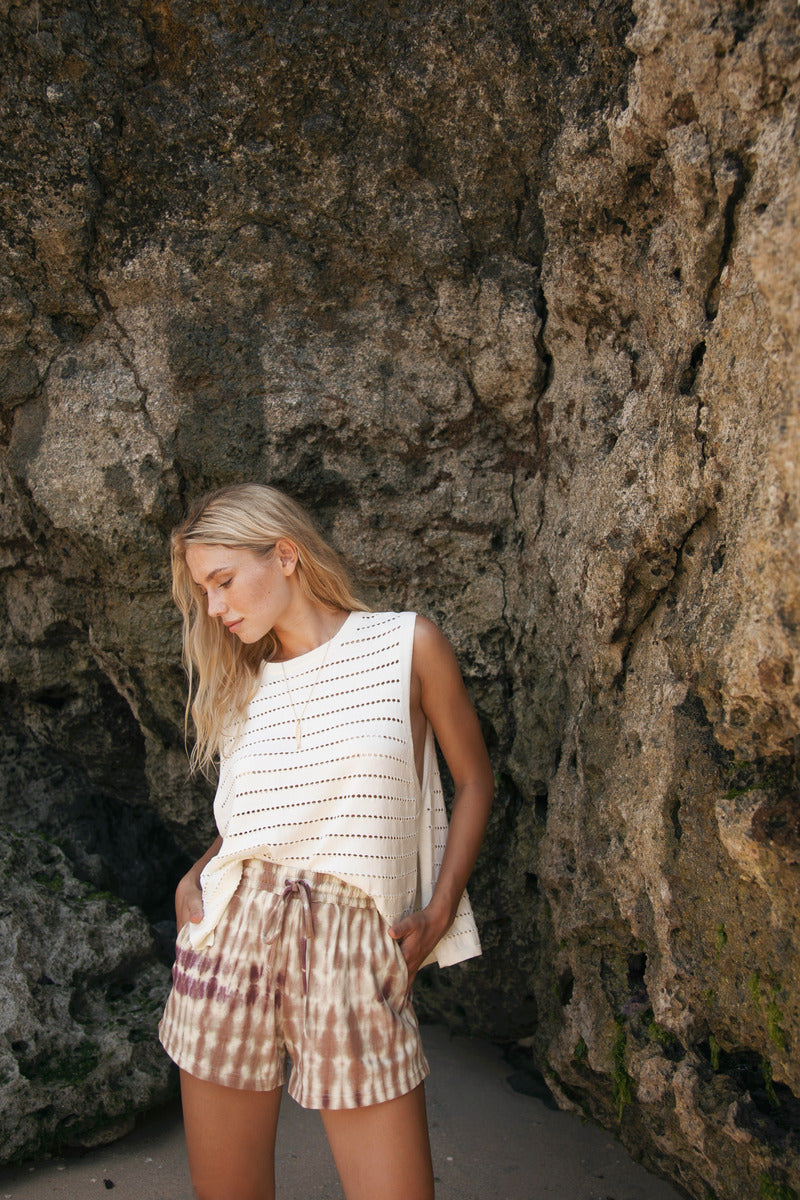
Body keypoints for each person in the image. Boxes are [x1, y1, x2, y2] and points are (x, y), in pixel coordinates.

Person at [158, 482, 493, 1200]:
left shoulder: (406, 644)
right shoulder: (240, 686)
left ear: (284, 555)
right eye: (204, 592)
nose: (216, 609)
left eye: (223, 582)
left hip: (351, 941)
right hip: (230, 939)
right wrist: (194, 875)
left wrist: (437, 913)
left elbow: (475, 781)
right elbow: (249, 824)